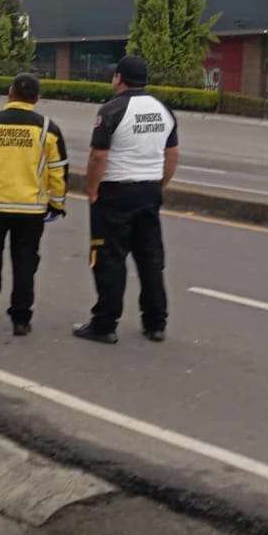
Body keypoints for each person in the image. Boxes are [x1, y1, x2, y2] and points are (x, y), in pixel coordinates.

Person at [73, 54, 179, 344]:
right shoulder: (163, 109)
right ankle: (156, 323)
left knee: (109, 259)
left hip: (116, 192)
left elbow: (98, 156)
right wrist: (159, 184)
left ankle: (104, 324)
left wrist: (92, 190)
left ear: (119, 78)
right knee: (150, 259)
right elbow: (172, 153)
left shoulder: (112, 109)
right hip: (149, 191)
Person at [0, 73, 68, 336]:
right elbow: (58, 172)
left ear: (9, 93)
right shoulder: (48, 128)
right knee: (25, 264)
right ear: (37, 98)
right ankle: (21, 319)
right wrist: (56, 204)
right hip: (31, 210)